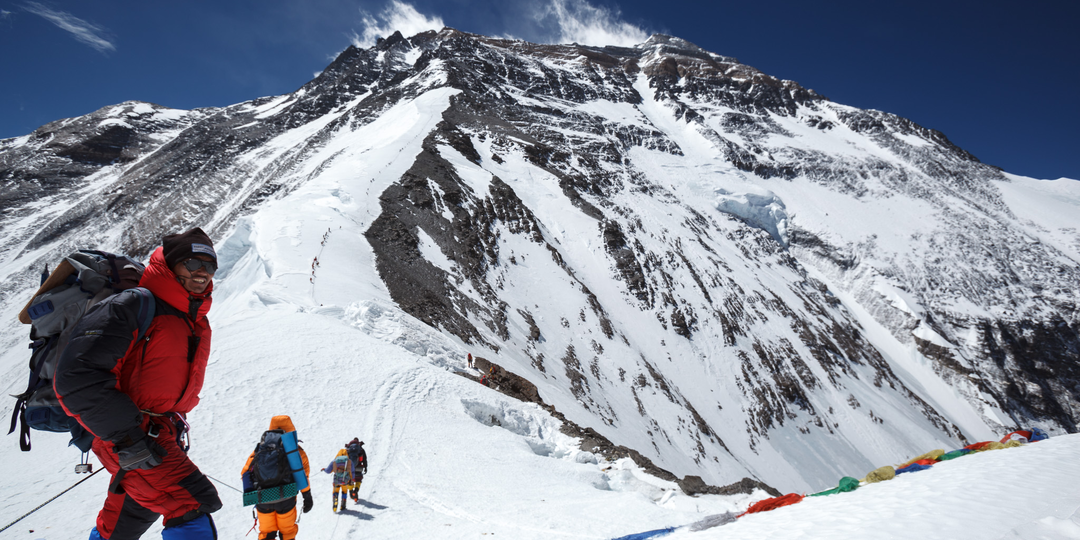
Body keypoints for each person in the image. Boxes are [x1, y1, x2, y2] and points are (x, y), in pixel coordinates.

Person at [54, 228, 223, 540]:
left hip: (155, 432)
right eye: (192, 263)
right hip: (126, 433)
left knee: (130, 516)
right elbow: (77, 375)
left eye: (209, 266)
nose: (202, 272)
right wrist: (128, 437)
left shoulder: (192, 319)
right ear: (170, 266)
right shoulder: (134, 305)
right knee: (191, 502)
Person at [241, 416, 312, 540]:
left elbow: (245, 472)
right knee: (287, 532)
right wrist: (307, 496)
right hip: (286, 499)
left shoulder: (260, 448)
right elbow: (303, 476)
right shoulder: (295, 451)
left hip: (263, 499)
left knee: (267, 533)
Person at [345, 438, 368, 503]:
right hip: (359, 467)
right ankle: (356, 490)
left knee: (350, 480)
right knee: (358, 480)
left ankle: (351, 491)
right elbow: (364, 459)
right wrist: (365, 467)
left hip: (350, 468)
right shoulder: (361, 450)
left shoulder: (348, 449)